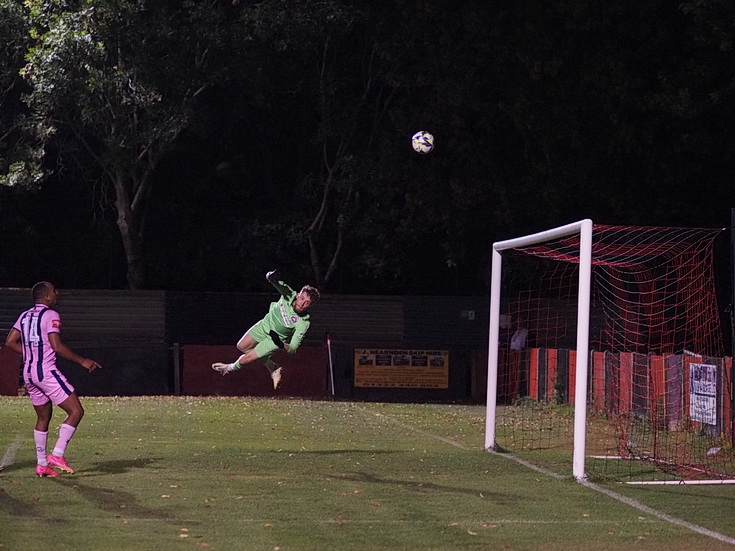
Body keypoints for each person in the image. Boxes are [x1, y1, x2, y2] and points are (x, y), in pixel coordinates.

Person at [4, 281, 102, 477]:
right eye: (54, 291)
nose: (57, 293)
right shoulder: (51, 315)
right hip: (46, 372)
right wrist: (82, 361)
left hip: (29, 374)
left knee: (43, 418)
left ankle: (41, 464)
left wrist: (31, 354)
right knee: (76, 411)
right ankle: (57, 454)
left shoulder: (24, 316)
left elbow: (9, 342)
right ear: (47, 296)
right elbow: (56, 346)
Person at [212, 270, 320, 389]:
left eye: (307, 303)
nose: (302, 303)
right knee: (241, 346)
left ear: (310, 306)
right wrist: (270, 276)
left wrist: (279, 343)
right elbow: (277, 283)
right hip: (264, 325)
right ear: (298, 294)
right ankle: (273, 367)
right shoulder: (289, 294)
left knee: (245, 360)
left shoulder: (303, 322)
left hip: (274, 340)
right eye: (302, 298)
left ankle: (228, 369)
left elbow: (293, 349)